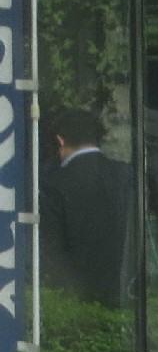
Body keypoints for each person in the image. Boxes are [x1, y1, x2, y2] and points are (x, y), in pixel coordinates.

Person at [41, 108, 131, 306]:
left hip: (75, 298)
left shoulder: (52, 183)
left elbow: (49, 249)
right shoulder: (127, 174)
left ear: (60, 141)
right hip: (124, 294)